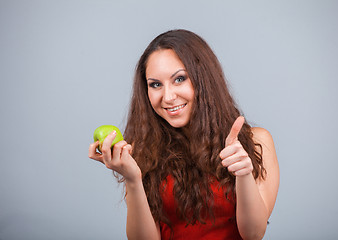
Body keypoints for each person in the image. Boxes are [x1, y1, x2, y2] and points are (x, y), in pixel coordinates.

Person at [88, 29, 280, 240]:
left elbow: (253, 234)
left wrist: (243, 174)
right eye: (155, 84)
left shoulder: (256, 142)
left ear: (204, 80)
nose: (168, 97)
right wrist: (133, 179)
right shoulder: (140, 149)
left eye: (179, 79)